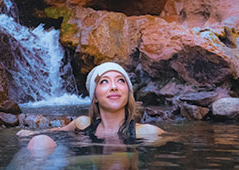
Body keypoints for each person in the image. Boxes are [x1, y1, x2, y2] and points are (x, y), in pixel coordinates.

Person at [20, 61, 164, 147]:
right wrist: (34, 133)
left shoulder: (147, 132)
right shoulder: (83, 124)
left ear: (128, 93)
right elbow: (59, 130)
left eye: (120, 80)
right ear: (94, 97)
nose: (114, 86)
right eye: (104, 81)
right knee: (40, 142)